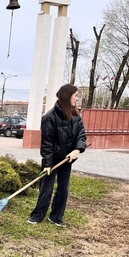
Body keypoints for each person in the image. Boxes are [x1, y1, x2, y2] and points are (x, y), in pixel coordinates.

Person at [28, 84, 87, 227]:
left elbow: (81, 135)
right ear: (68, 97)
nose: (77, 98)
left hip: (68, 158)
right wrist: (47, 164)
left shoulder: (75, 116)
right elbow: (47, 144)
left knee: (63, 188)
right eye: (76, 95)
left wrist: (78, 149)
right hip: (52, 159)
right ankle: (37, 215)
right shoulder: (50, 117)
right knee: (46, 189)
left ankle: (56, 216)